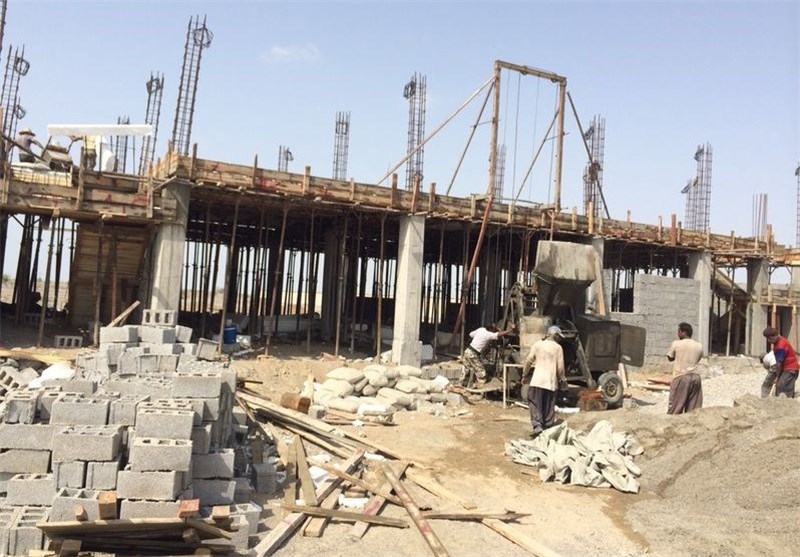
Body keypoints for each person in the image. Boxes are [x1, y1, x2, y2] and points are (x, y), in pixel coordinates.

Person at [522, 325, 566, 437]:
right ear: (555, 335)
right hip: (551, 383)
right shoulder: (558, 348)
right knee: (548, 405)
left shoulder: (537, 345)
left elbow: (528, 360)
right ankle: (547, 426)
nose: (560, 339)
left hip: (537, 381)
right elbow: (560, 368)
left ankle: (537, 425)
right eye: (559, 336)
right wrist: (562, 379)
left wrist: (524, 375)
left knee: (535, 403)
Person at [665, 322, 704, 414]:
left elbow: (670, 357)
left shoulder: (676, 343)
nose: (678, 334)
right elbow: (698, 359)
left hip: (681, 377)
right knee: (693, 411)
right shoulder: (699, 346)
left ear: (684, 332)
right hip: (696, 378)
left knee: (675, 409)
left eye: (679, 331)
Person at [761, 326, 798, 398]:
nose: (768, 341)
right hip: (787, 368)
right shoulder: (780, 340)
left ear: (774, 336)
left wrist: (777, 375)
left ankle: (787, 403)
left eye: (769, 338)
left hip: (790, 369)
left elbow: (779, 364)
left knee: (783, 388)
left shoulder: (780, 346)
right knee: (779, 387)